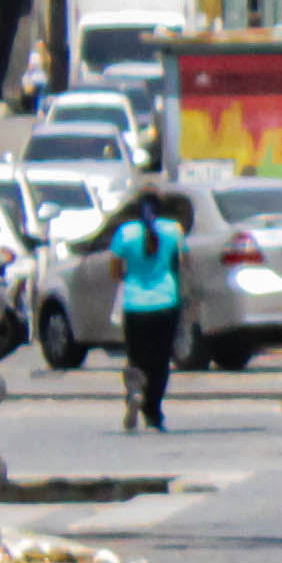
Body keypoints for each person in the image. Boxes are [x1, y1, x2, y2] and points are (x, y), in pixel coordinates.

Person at [105, 183, 189, 433]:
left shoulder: (125, 233)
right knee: (160, 360)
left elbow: (115, 271)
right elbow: (182, 262)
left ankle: (134, 390)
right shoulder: (174, 231)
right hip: (166, 302)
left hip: (134, 304)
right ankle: (153, 412)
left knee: (137, 356)